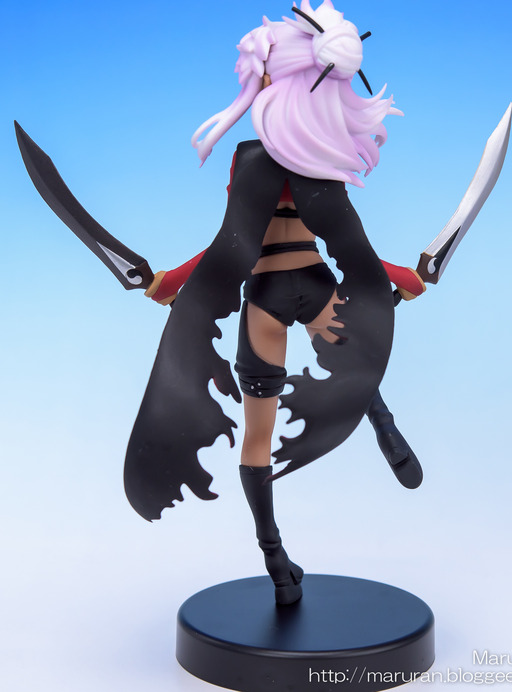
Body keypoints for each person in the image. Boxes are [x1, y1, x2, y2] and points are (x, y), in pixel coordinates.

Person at [124, 0, 424, 606]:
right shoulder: (324, 163)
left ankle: (276, 560)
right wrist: (408, 279)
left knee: (257, 437)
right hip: (316, 286)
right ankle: (386, 428)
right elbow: (356, 248)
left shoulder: (251, 161)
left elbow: (228, 244)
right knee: (352, 358)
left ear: (273, 81)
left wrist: (167, 285)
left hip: (265, 296)